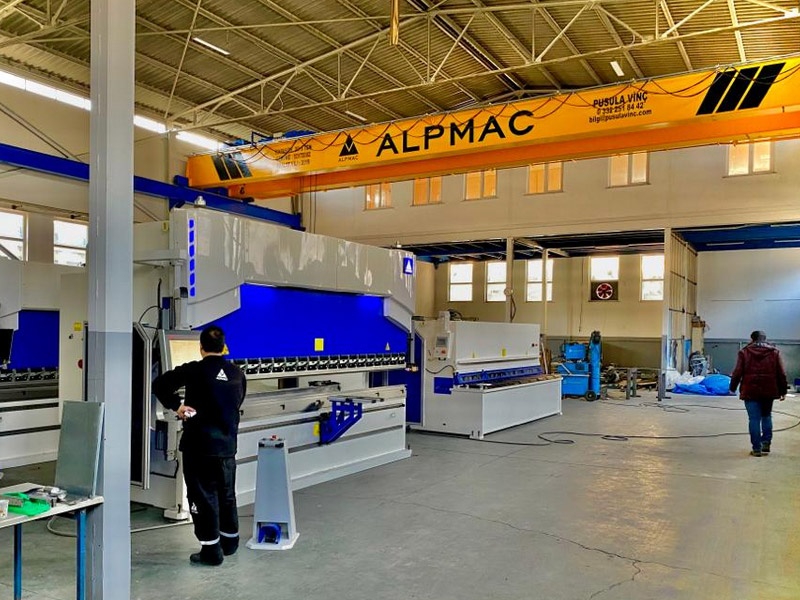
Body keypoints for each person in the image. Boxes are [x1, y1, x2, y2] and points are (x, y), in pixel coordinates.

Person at [153, 325, 247, 565]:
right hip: (227, 447)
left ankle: (211, 551)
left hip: (199, 447)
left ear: (201, 347)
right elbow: (236, 403)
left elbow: (160, 385)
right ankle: (230, 542)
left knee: (202, 497)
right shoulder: (237, 374)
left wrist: (178, 406)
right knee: (226, 495)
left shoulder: (194, 370)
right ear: (223, 347)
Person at [729, 330, 787, 457]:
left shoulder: (744, 352)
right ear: (765, 339)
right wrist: (783, 390)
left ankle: (756, 449)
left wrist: (732, 388)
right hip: (769, 390)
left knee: (754, 419)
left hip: (750, 390)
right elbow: (781, 373)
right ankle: (766, 444)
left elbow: (737, 372)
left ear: (752, 339)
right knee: (766, 416)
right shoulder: (774, 352)